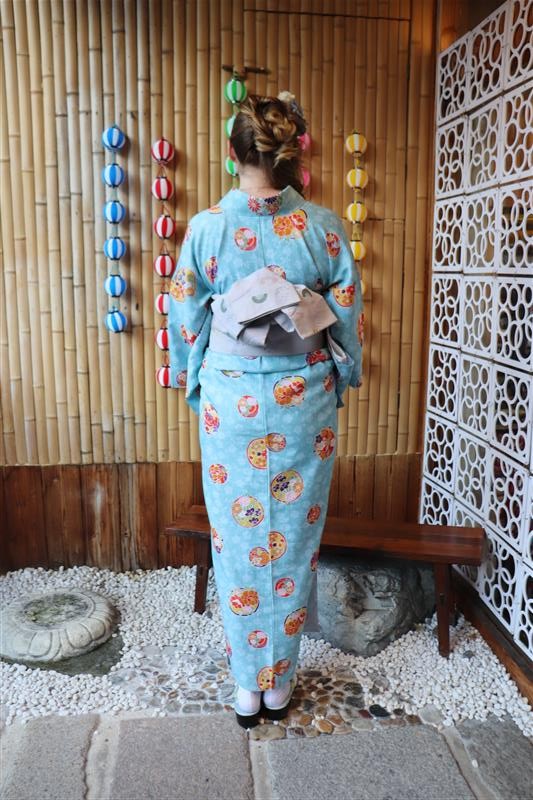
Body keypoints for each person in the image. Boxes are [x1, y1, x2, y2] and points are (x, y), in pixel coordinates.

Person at [168, 91, 364, 728]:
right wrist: (341, 372)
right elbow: (345, 314)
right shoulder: (324, 227)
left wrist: (193, 381)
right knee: (294, 538)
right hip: (304, 399)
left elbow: (186, 315)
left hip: (231, 401)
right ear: (291, 155)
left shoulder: (207, 229)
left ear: (234, 156)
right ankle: (277, 682)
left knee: (237, 537)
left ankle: (246, 686)